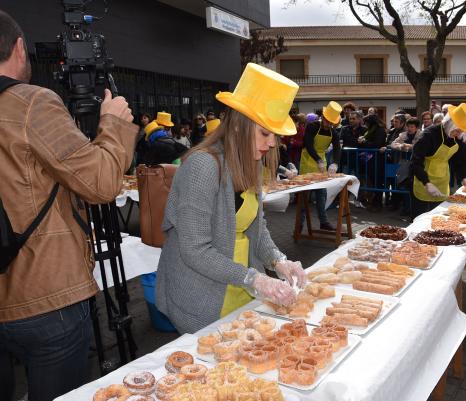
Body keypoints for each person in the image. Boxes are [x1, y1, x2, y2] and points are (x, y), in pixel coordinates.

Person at [0, 10, 138, 401]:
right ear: (19, 47)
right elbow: (100, 183)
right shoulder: (30, 104)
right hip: (45, 295)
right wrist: (112, 123)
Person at [155, 63, 305, 333]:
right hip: (202, 294)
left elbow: (257, 230)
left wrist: (278, 260)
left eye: (274, 135)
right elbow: (195, 250)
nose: (271, 143)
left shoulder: (253, 164)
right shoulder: (202, 166)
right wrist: (255, 279)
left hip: (241, 286)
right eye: (264, 133)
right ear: (238, 126)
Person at [410, 103, 466, 218]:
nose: (459, 134)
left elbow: (461, 161)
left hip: (442, 182)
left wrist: (463, 178)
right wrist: (427, 183)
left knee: (439, 219)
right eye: (457, 130)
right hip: (422, 182)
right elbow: (415, 162)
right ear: (450, 124)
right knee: (420, 219)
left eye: (461, 131)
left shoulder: (457, 139)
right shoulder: (428, 135)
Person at [299, 101, 342, 230]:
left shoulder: (333, 132)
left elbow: (337, 149)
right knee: (304, 195)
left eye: (331, 123)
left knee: (321, 194)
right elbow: (308, 144)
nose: (329, 124)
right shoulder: (312, 127)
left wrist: (335, 163)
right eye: (327, 121)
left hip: (321, 164)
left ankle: (323, 222)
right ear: (323, 117)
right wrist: (317, 160)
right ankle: (299, 224)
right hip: (308, 160)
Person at [358, 114, 387, 211]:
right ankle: (374, 202)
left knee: (378, 182)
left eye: (366, 123)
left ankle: (378, 204)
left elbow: (377, 144)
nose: (365, 125)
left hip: (377, 159)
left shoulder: (380, 130)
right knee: (373, 181)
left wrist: (364, 142)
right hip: (370, 159)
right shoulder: (370, 131)